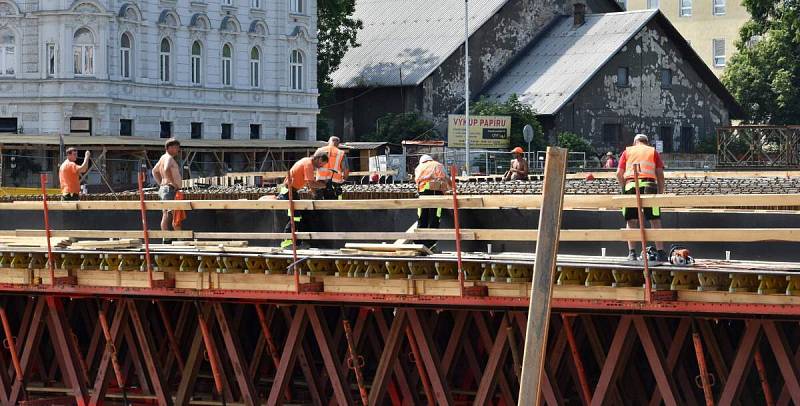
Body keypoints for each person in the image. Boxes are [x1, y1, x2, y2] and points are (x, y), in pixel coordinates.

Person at [616, 134, 668, 262]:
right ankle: (661, 253)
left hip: (631, 186)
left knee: (631, 220)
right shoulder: (652, 151)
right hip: (649, 186)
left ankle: (632, 253)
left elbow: (618, 173)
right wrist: (660, 192)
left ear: (635, 142)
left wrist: (624, 188)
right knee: (655, 220)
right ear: (647, 142)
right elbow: (660, 174)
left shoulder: (627, 152)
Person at [278, 150, 329, 249]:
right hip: (289, 191)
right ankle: (287, 243)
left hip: (292, 190)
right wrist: (324, 185)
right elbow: (311, 183)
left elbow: (309, 183)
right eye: (321, 164)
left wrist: (313, 191)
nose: (321, 166)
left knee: (297, 217)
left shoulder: (306, 161)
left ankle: (296, 242)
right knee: (294, 217)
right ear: (318, 158)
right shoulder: (308, 164)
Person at [414, 155, 450, 250]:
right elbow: (446, 178)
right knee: (435, 217)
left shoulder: (419, 167)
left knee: (422, 216)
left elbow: (417, 181)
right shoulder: (438, 165)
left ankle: (418, 243)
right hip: (436, 191)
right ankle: (431, 244)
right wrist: (453, 188)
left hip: (422, 193)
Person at [152, 138, 183, 238]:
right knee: (170, 214)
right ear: (169, 148)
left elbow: (154, 171)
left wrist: (161, 183)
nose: (177, 150)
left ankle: (167, 238)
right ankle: (172, 238)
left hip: (165, 188)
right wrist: (172, 183)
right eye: (176, 147)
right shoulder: (168, 158)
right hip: (169, 189)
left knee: (167, 213)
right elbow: (166, 169)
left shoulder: (163, 157)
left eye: (178, 148)